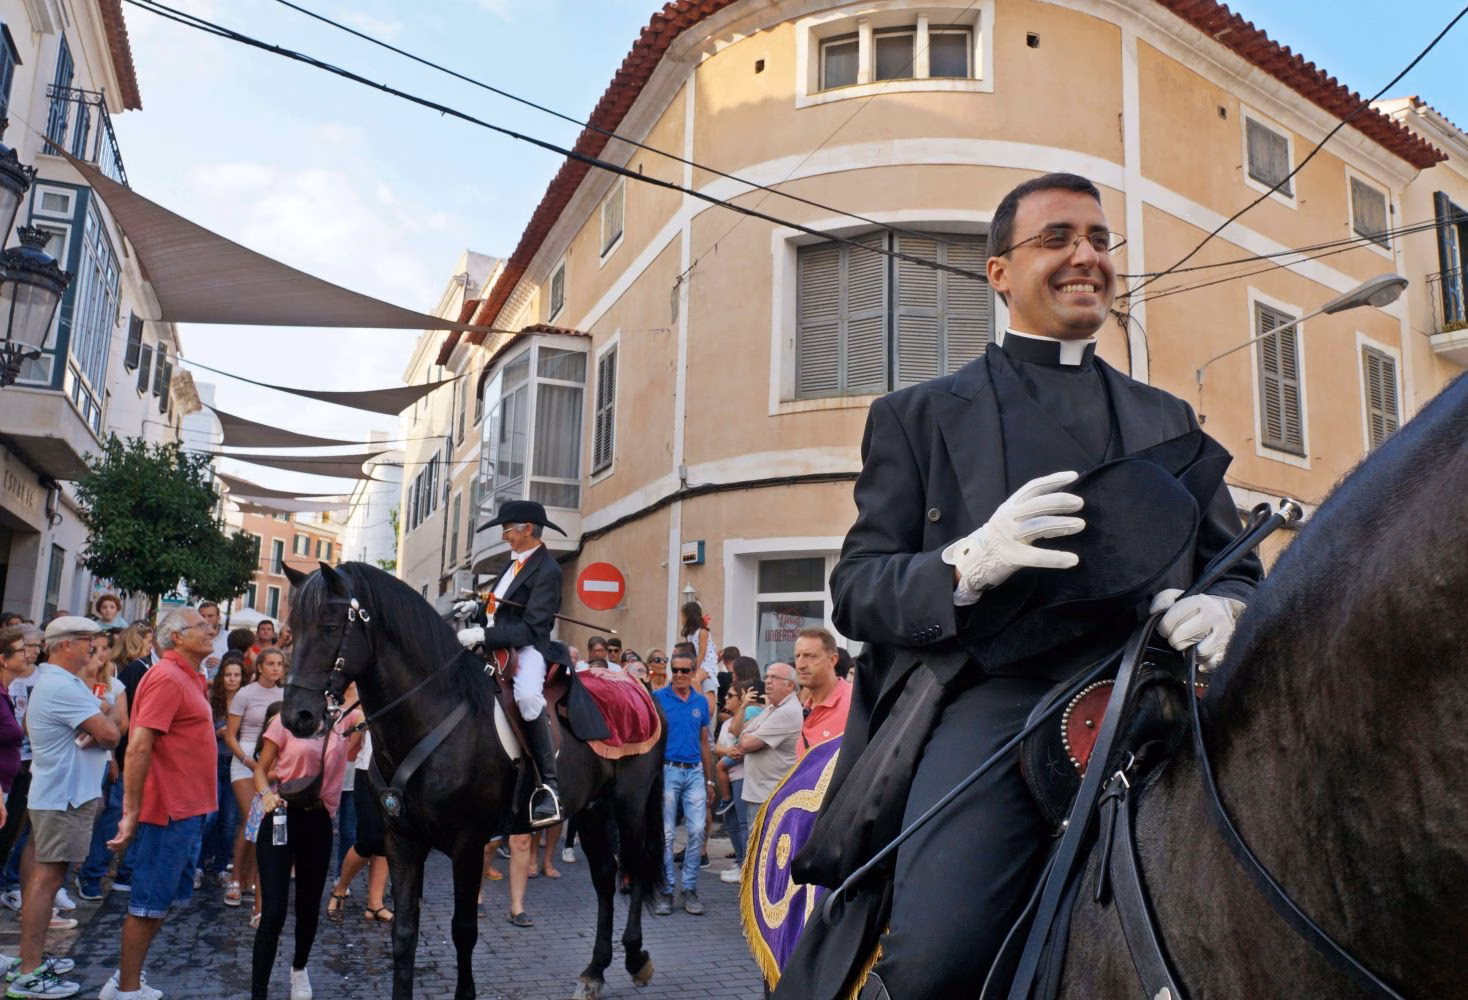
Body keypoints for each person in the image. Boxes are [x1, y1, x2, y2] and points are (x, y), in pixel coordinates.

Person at [777, 173, 1261, 999]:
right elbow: (856, 590)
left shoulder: (1170, 416)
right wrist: (962, 565)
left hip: (1151, 693)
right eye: (1058, 239)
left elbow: (1237, 562)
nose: (1087, 257)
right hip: (997, 703)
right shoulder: (919, 414)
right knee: (937, 964)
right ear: (998, 272)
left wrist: (1226, 605)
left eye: (1100, 241)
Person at [103, 607, 218, 1000]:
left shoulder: (191, 677)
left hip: (187, 809)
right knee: (148, 903)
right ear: (175, 639)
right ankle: (126, 989)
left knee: (161, 901)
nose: (210, 628)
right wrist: (131, 813)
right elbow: (137, 746)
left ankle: (125, 980)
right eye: (200, 626)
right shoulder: (167, 676)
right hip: (167, 809)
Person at [9, 617, 119, 999]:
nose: (93, 648)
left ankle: (30, 959)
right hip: (65, 797)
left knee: (39, 874)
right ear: (64, 645)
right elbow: (112, 732)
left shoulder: (56, 682)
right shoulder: (62, 685)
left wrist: (102, 721)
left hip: (56, 792)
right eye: (87, 641)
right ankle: (29, 971)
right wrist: (102, 724)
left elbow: (108, 719)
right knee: (47, 880)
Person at [455, 499, 566, 829]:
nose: (504, 537)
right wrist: (475, 612)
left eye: (507, 530)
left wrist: (483, 636)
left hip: (528, 648)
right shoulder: (513, 563)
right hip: (495, 643)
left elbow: (531, 627)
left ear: (527, 529)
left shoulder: (549, 571)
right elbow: (498, 610)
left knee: (529, 698)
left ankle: (549, 787)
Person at [250, 698, 360, 1000]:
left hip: (319, 820)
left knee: (309, 907)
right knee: (272, 911)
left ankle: (299, 970)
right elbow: (260, 769)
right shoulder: (285, 719)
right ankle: (257, 992)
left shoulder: (342, 720)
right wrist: (265, 796)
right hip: (281, 816)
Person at [651, 649, 713, 916]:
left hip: (695, 772)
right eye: (674, 670)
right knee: (665, 834)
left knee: (698, 830)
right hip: (668, 771)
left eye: (684, 670)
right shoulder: (658, 699)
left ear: (693, 672)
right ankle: (666, 889)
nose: (678, 675)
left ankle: (689, 888)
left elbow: (704, 743)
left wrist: (710, 781)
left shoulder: (700, 703)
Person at [223, 647, 286, 907]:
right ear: (259, 666)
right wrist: (248, 760)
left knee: (267, 821)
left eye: (279, 664)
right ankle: (236, 877)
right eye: (270, 663)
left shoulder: (285, 695)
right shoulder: (245, 694)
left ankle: (252, 877)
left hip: (275, 757)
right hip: (246, 755)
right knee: (251, 816)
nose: (275, 668)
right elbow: (230, 734)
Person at [198, 653, 245, 886]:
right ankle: (198, 863)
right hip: (212, 761)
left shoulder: (245, 700)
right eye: (228, 675)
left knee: (229, 820)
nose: (232, 679)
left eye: (236, 675)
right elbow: (200, 731)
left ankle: (221, 865)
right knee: (209, 818)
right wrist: (218, 733)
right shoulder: (211, 699)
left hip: (236, 763)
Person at [737, 662, 801, 816]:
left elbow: (745, 743)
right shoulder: (774, 708)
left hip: (769, 797)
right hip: (762, 794)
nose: (768, 681)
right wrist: (748, 736)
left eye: (774, 677)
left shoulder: (787, 711)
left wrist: (749, 736)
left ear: (790, 685)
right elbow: (742, 733)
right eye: (767, 676)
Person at [793, 627, 851, 757]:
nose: (800, 665)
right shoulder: (805, 708)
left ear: (832, 660)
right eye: (797, 656)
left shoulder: (854, 702)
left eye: (810, 656)